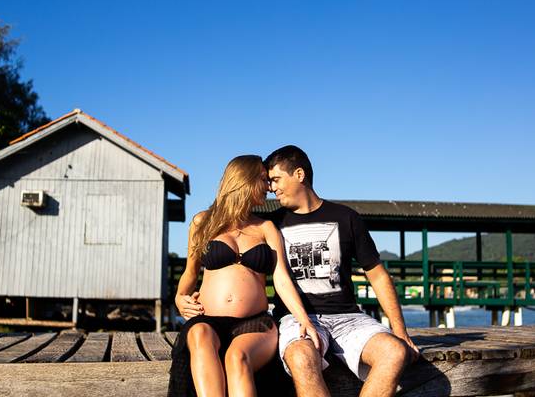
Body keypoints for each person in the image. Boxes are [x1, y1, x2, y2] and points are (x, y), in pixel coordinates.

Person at [264, 145, 420, 397]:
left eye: (276, 179)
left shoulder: (346, 217)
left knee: (394, 352)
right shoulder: (271, 224)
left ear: (299, 175)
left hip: (347, 316)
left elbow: (377, 275)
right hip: (297, 318)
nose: (272, 188)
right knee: (301, 357)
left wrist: (399, 330)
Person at [169, 154, 320, 397]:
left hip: (255, 321)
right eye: (263, 179)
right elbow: (190, 272)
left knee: (236, 357)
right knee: (199, 334)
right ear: (244, 180)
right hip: (208, 320)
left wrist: (304, 319)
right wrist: (179, 297)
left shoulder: (266, 228)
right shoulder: (202, 222)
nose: (269, 187)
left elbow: (281, 278)